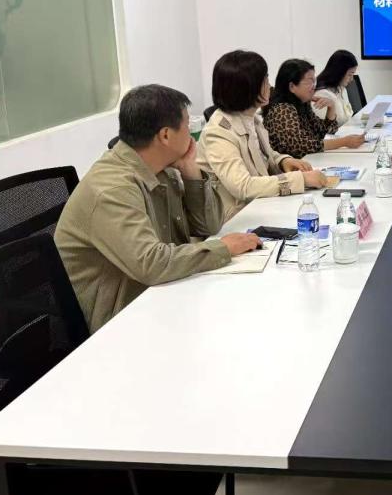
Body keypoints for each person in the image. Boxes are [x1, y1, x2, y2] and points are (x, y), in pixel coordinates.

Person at [55, 85, 261, 333]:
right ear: (165, 135)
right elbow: (151, 264)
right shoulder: (112, 189)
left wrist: (192, 173)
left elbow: (208, 225)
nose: (192, 132)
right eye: (187, 125)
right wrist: (224, 248)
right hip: (118, 323)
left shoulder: (162, 168)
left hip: (160, 296)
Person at [197, 50, 329, 221]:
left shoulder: (250, 117)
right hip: (236, 218)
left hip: (260, 206)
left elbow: (262, 154)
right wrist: (301, 179)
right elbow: (243, 186)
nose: (269, 86)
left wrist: (283, 161)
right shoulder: (218, 133)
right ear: (247, 88)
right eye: (265, 80)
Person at [263, 58, 366, 158]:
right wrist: (343, 142)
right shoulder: (282, 109)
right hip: (289, 167)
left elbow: (324, 132)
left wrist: (331, 108)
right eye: (309, 82)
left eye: (314, 81)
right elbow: (300, 146)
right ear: (292, 87)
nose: (314, 86)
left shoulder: (302, 104)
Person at [313, 49, 359, 125]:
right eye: (350, 74)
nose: (352, 79)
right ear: (339, 72)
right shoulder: (322, 94)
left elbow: (348, 117)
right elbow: (325, 129)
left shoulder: (340, 89)